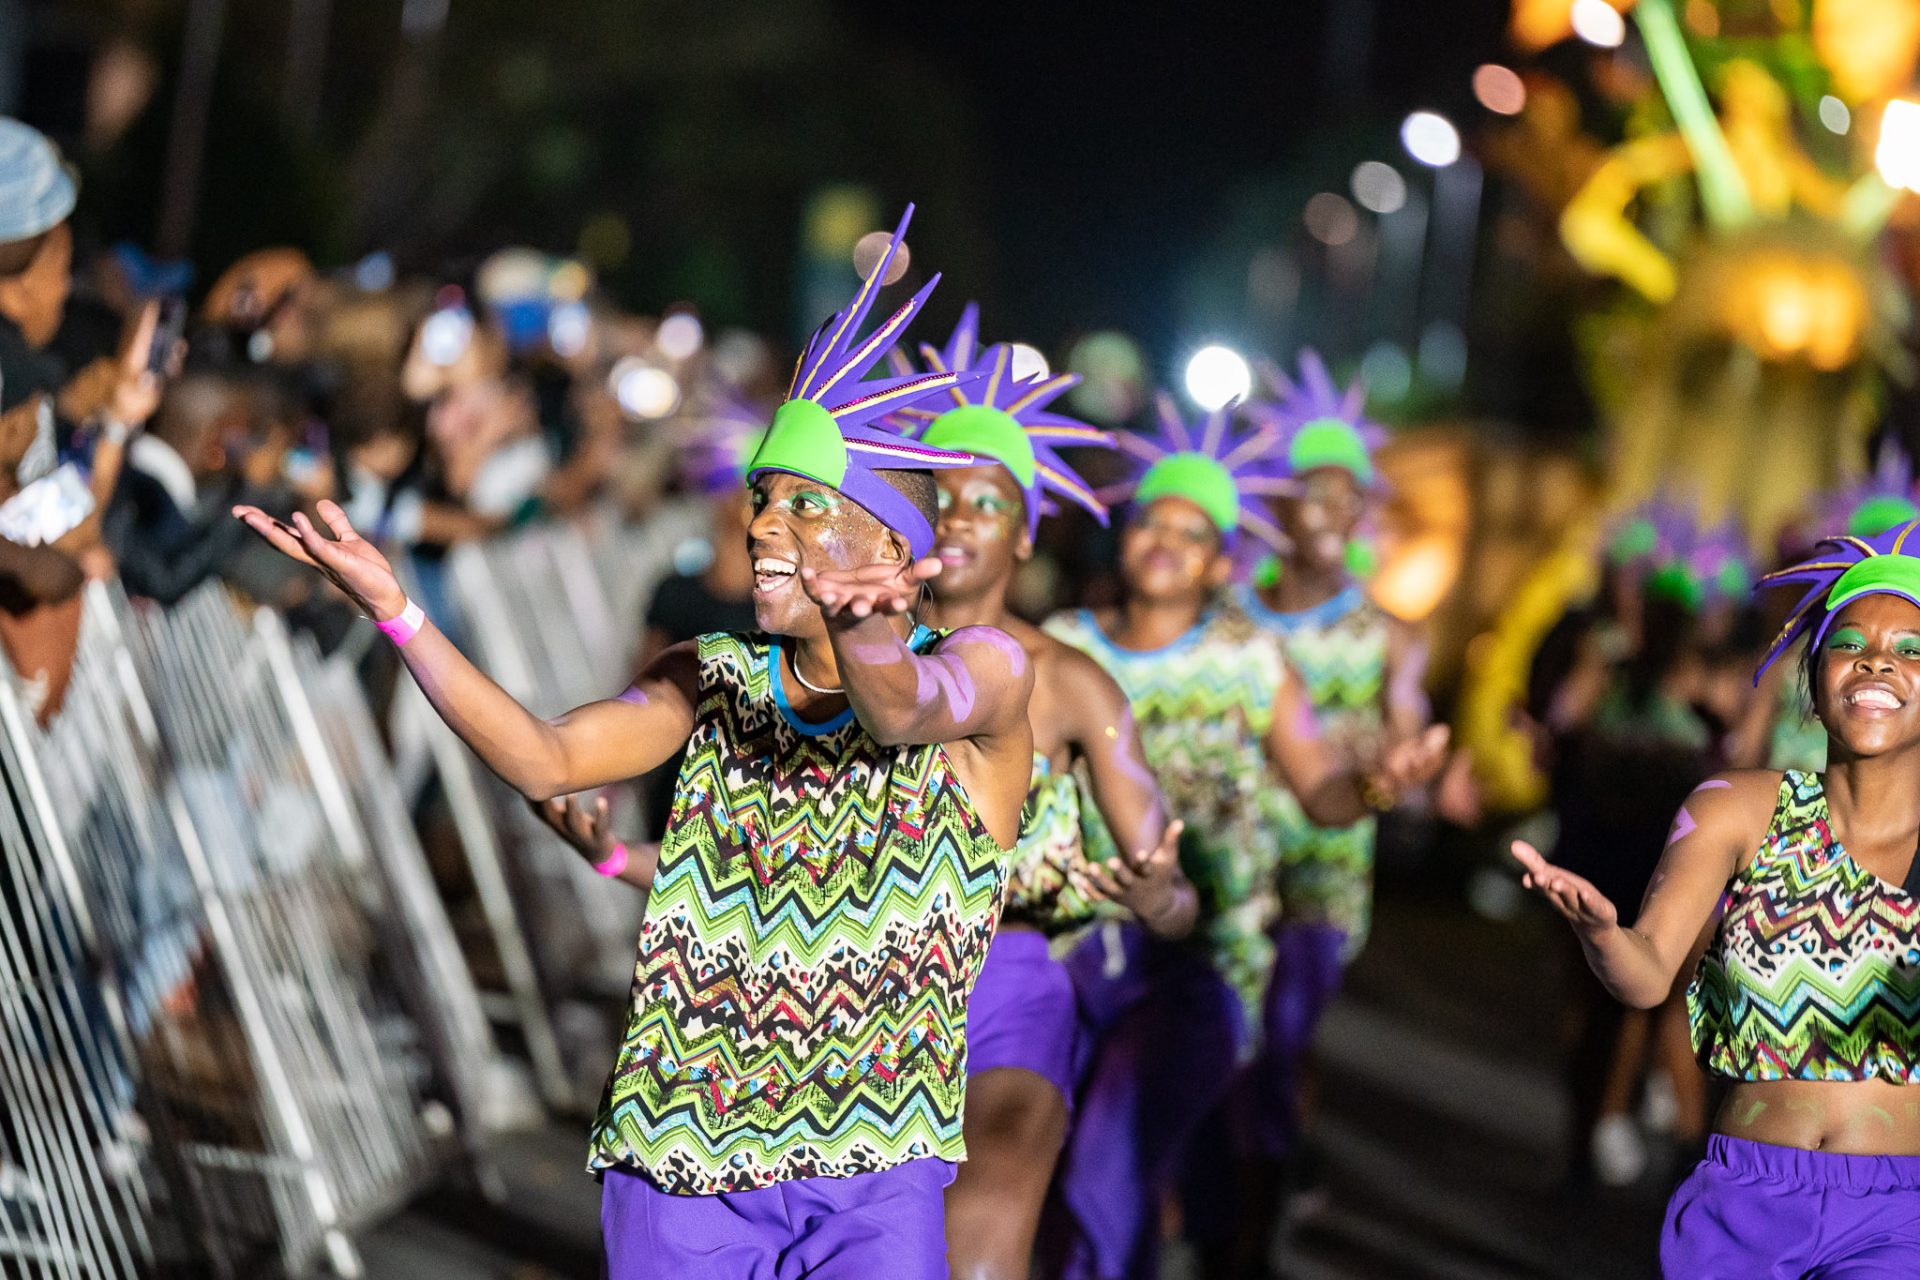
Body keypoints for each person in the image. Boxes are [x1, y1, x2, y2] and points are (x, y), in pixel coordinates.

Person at [236, 207, 1037, 1279]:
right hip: (680, 1152)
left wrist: (864, 628)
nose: (762, 527)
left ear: (893, 540)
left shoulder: (987, 672)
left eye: (806, 506)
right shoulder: (707, 675)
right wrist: (401, 615)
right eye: (762, 499)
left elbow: (900, 709)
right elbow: (543, 757)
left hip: (874, 1169)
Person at [1042, 394, 1448, 1280]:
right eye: (1154, 524)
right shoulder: (1063, 646)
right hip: (1073, 949)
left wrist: (1382, 781)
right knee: (1090, 1168)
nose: (1164, 546)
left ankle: (1245, 1242)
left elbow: (1322, 792)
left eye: (1192, 536)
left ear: (1222, 560)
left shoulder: (1252, 661)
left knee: (1122, 1150)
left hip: (1211, 949)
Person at [1515, 518, 1920, 1277]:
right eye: (1849, 643)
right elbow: (1647, 972)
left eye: (1911, 650)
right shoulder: (1735, 807)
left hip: (1902, 1218)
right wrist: (1606, 934)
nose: (1876, 664)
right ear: (1814, 672)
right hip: (1747, 1201)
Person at [894, 306, 1197, 1279]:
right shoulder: (839, 664)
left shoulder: (1069, 682)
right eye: (937, 493)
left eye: (983, 501)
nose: (954, 517)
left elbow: (1176, 888)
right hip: (853, 981)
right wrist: (619, 854)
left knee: (980, 1245)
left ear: (1024, 536)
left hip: (1006, 985)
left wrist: (1158, 894)